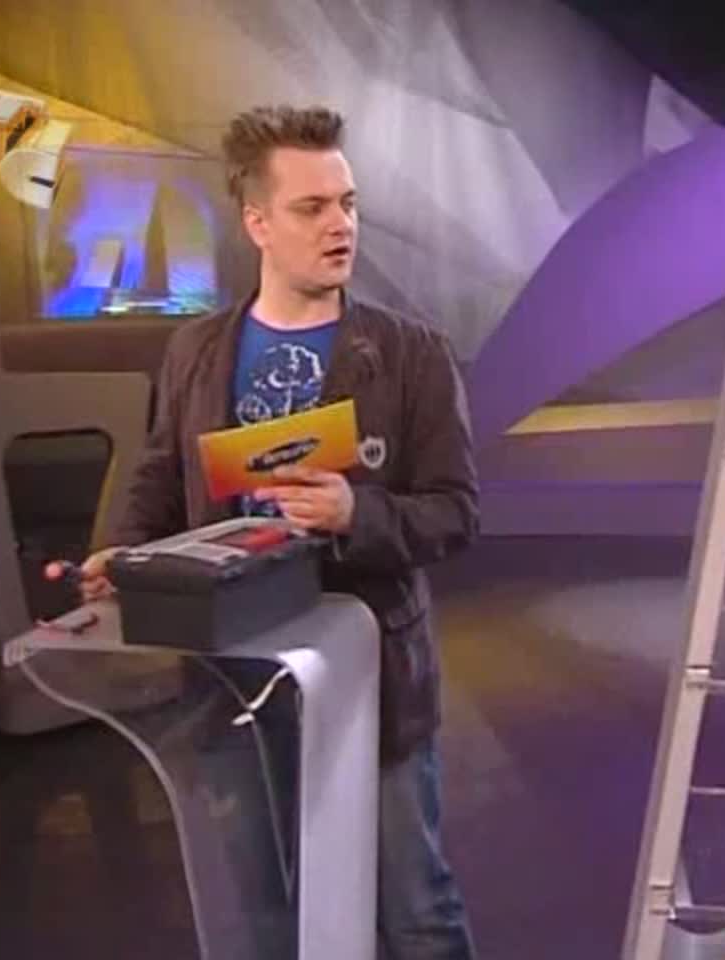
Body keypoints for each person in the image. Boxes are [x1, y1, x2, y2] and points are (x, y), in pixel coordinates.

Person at [80, 104, 479, 960]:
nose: (341, 225)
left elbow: (455, 510)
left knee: (415, 912)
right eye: (313, 208)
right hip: (231, 682)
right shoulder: (194, 351)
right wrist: (124, 553)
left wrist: (357, 514)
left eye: (349, 203)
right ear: (257, 222)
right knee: (262, 917)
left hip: (370, 682)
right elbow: (161, 475)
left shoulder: (413, 355)